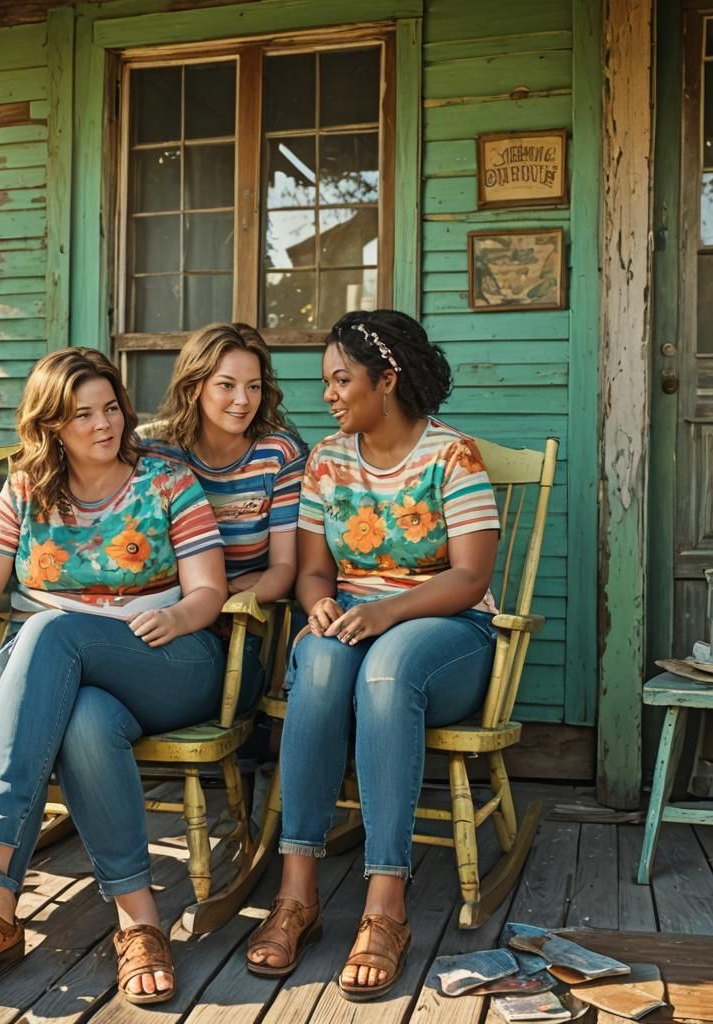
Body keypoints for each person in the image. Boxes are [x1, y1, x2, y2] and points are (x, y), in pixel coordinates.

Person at [0, 348, 228, 1004]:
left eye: (110, 407)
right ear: (52, 424)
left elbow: (210, 590)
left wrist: (180, 616)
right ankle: (138, 922)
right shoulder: (27, 487)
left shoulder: (165, 480)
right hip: (42, 681)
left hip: (162, 661)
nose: (104, 424)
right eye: (83, 414)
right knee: (82, 715)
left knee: (52, 630)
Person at [245, 309, 501, 1001]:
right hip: (354, 629)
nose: (328, 394)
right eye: (325, 382)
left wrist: (383, 611)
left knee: (388, 672)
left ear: (386, 380)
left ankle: (385, 905)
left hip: (445, 634)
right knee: (321, 664)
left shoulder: (453, 456)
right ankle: (297, 894)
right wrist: (320, 604)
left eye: (340, 380)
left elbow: (470, 577)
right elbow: (313, 571)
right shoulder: (327, 461)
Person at [146, 322, 308, 709]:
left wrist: (226, 597)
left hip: (243, 619)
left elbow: (285, 567)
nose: (243, 400)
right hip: (163, 610)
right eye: (226, 385)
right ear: (194, 386)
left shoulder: (278, 455)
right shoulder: (154, 451)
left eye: (254, 386)